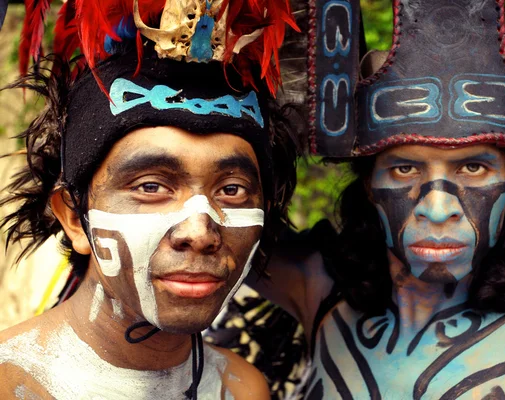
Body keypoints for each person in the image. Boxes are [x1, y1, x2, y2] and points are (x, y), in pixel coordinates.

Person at [245, 0, 505, 398]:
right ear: (368, 183)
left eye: (473, 169)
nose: (436, 208)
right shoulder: (317, 282)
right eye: (405, 170)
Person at [0, 0, 298, 398]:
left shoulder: (241, 388)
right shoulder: (12, 383)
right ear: (74, 218)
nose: (200, 232)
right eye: (151, 187)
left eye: (232, 190)